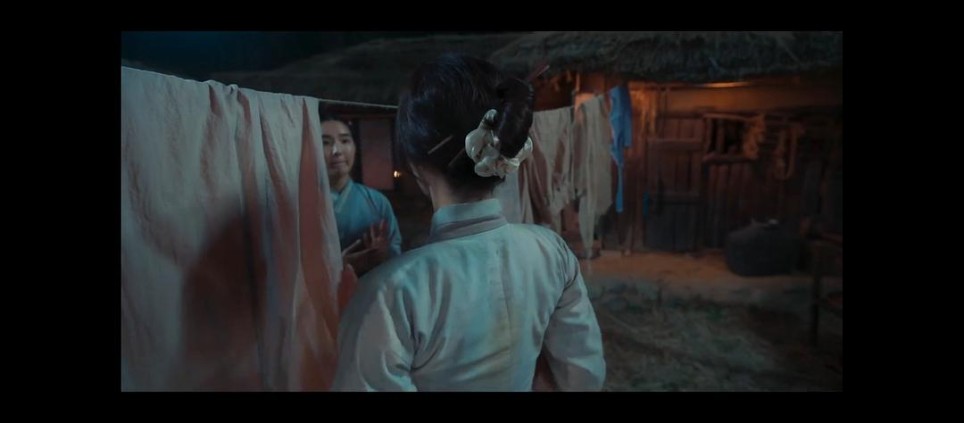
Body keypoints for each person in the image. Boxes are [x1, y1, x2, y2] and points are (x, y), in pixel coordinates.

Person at [332, 54, 605, 391]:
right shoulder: (551, 252)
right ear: (504, 151)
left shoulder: (391, 293)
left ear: (416, 165)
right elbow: (583, 377)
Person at [321, 113, 402, 277]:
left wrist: (383, 253)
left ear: (354, 147)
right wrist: (336, 267)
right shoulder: (299, 204)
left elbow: (396, 252)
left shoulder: (377, 201)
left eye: (345, 141)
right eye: (325, 143)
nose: (337, 151)